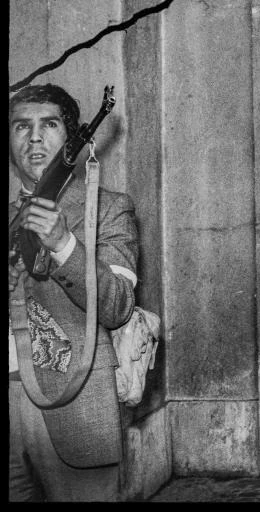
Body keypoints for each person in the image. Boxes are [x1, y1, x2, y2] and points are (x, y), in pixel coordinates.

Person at [8, 83, 139, 501]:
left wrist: (64, 245)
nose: (33, 137)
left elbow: (117, 304)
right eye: (20, 126)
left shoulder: (108, 208)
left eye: (49, 124)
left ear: (70, 139)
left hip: (70, 400)